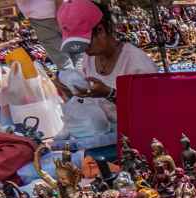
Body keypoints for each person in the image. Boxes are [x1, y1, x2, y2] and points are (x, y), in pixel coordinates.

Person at [55, 0, 158, 130]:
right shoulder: (90, 58)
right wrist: (65, 83)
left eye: (86, 43)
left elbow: (151, 110)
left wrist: (110, 94)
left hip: (137, 133)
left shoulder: (137, 63)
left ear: (101, 30)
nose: (84, 50)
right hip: (106, 135)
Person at [17, 0, 66, 69]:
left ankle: (75, 78)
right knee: (76, 50)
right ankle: (82, 74)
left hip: (42, 16)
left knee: (62, 59)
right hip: (65, 9)